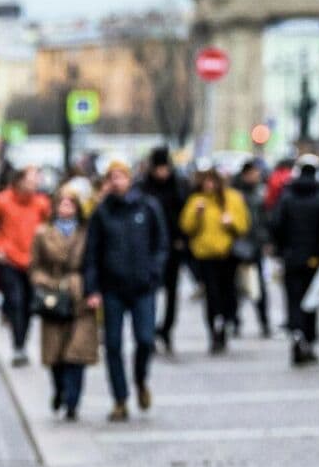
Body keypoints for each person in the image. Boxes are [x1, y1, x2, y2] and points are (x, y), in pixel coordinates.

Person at [84, 160, 168, 422]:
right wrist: (92, 288)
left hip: (142, 286)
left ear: (130, 179)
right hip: (112, 288)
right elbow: (92, 253)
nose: (117, 181)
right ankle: (120, 398)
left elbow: (160, 243)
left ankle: (140, 380)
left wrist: (154, 272)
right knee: (113, 345)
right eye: (112, 177)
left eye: (121, 176)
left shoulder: (147, 207)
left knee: (145, 339)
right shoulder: (102, 212)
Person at [29, 180, 100, 421]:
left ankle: (72, 400)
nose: (66, 207)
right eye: (62, 203)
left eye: (71, 203)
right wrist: (45, 282)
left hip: (80, 295)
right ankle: (59, 389)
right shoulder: (43, 233)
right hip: (53, 296)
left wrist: (93, 290)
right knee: (55, 353)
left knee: (77, 352)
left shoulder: (88, 232)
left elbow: (95, 262)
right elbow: (35, 266)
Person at [0, 166, 52, 366]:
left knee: (29, 304)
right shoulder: (3, 200)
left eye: (37, 179)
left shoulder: (41, 203)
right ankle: (18, 345)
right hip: (9, 260)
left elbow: (50, 227)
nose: (35, 183)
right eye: (32, 179)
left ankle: (22, 342)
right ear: (20, 181)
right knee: (15, 301)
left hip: (33, 261)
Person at [269, 155, 319, 366]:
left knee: (294, 298)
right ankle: (309, 339)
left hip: (292, 257)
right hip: (313, 258)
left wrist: (282, 249)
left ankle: (296, 332)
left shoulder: (287, 197)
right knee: (311, 300)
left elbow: (276, 224)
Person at [179, 169, 249, 354]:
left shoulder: (232, 198)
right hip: (205, 255)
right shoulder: (196, 200)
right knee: (211, 294)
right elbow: (186, 227)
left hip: (228, 254)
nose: (209, 185)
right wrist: (197, 214)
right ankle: (214, 330)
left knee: (229, 292)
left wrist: (231, 222)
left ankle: (226, 322)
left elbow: (243, 225)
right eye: (206, 182)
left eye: (212, 182)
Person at [139, 148, 189, 353]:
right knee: (150, 291)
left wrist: (181, 239)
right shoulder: (145, 188)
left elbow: (185, 215)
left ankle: (167, 329)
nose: (162, 173)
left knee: (171, 292)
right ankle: (149, 331)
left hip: (173, 247)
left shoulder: (178, 186)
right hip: (149, 248)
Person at [232, 159, 273, 338]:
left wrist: (266, 241)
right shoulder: (235, 193)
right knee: (237, 286)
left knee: (258, 287)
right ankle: (234, 321)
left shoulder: (260, 192)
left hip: (255, 245)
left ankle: (264, 322)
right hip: (238, 244)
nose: (257, 176)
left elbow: (264, 219)